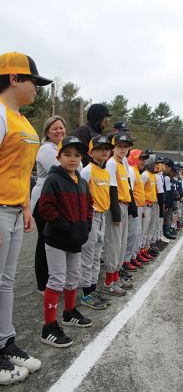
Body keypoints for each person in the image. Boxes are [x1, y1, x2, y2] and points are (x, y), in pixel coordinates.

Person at [0, 51, 52, 384]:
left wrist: (25, 206)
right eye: (33, 80)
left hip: (15, 210)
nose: (38, 87)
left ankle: (5, 342)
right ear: (15, 79)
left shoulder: (23, 120)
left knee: (5, 283)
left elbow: (22, 171)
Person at [39, 136, 93, 348]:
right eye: (67, 154)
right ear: (58, 156)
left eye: (77, 155)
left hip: (76, 239)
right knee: (57, 279)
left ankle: (69, 313)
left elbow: (89, 206)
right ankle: (49, 327)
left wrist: (85, 226)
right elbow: (46, 208)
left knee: (73, 278)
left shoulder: (81, 181)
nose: (73, 159)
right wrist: (68, 227)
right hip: (57, 239)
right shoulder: (54, 179)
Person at [31, 115, 66, 295]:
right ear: (47, 132)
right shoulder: (46, 149)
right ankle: (42, 284)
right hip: (43, 200)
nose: (59, 131)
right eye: (55, 128)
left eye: (61, 128)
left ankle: (54, 280)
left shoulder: (62, 149)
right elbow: (63, 170)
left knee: (55, 240)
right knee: (45, 240)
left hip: (57, 200)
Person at [80, 135, 113, 309]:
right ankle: (86, 293)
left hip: (103, 216)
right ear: (91, 152)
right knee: (88, 255)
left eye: (107, 149)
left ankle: (92, 289)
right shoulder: (87, 170)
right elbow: (80, 195)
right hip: (91, 217)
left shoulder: (105, 171)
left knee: (96, 255)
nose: (105, 152)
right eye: (100, 149)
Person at [103, 134, 136, 296]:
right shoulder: (111, 163)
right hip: (115, 207)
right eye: (120, 146)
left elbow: (127, 187)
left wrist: (131, 208)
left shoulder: (124, 163)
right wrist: (116, 214)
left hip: (124, 205)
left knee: (121, 245)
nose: (123, 149)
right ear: (113, 147)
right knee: (113, 245)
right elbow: (111, 189)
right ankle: (108, 282)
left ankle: (115, 277)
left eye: (126, 146)